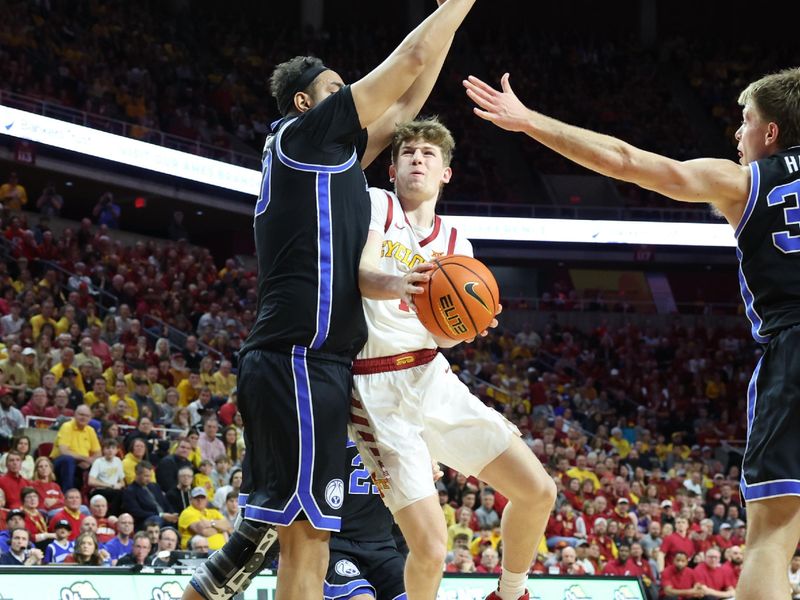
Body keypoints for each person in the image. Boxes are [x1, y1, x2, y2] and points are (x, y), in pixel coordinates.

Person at [464, 66, 800, 600]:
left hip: (792, 349)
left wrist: (529, 122)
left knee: (772, 538)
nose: (737, 134)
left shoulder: (747, 181)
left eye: (746, 121)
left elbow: (627, 160)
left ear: (772, 133)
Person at [184, 1, 479, 599]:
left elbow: (407, 102)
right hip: (299, 355)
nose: (349, 96)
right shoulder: (303, 133)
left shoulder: (334, 157)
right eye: (336, 89)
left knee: (265, 538)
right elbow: (409, 59)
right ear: (306, 102)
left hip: (308, 361)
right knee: (306, 539)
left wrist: (452, 22)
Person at [350, 117, 555, 600]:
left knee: (538, 490)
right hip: (375, 391)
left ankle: (510, 593)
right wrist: (402, 284)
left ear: (446, 173)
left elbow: (441, 338)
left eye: (428, 154)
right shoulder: (378, 206)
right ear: (392, 170)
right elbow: (361, 274)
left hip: (430, 376)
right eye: (408, 153)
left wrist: (469, 326)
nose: (417, 159)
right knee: (433, 548)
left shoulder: (456, 244)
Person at [324, 441, 406, 600]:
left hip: (382, 546)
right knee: (361, 598)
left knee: (416, 594)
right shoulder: (330, 424)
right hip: (335, 545)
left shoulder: (392, 429)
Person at [49, 404, 101, 489]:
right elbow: (64, 451)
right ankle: (68, 494)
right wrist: (85, 459)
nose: (83, 418)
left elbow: (98, 453)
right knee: (68, 460)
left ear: (90, 418)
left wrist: (89, 461)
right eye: (81, 415)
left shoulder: (90, 430)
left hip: (82, 464)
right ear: (75, 415)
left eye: (87, 416)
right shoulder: (67, 426)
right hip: (60, 463)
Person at [122, 461, 178, 529]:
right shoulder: (130, 491)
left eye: (150, 476)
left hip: (164, 517)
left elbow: (166, 503)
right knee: (156, 519)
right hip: (146, 521)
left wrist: (172, 514)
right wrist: (161, 515)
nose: (149, 479)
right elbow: (137, 512)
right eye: (146, 476)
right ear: (137, 474)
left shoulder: (155, 486)